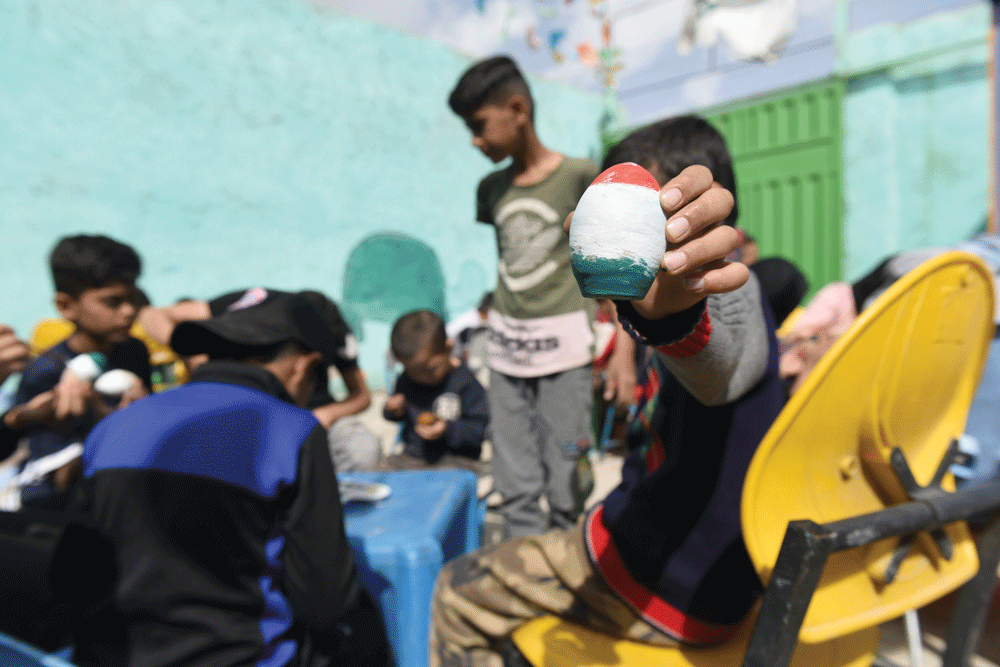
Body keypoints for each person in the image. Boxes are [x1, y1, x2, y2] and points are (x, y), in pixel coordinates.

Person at [429, 120, 786, 667]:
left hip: (662, 578)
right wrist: (643, 323)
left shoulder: (735, 291)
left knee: (457, 589)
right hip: (710, 570)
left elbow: (723, 367)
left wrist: (676, 313)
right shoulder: (704, 292)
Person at [71, 290, 390, 667]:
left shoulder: (115, 426)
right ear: (304, 367)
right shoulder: (290, 429)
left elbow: (76, 574)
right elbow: (325, 600)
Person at [448, 55, 598, 537]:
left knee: (566, 474)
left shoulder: (580, 176)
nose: (474, 140)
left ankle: (569, 574)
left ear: (517, 109)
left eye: (479, 125)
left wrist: (620, 349)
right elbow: (509, 260)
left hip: (566, 345)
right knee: (514, 475)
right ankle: (522, 577)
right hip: (508, 345)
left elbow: (603, 264)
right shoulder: (490, 189)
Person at [137, 287, 381, 472]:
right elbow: (150, 315)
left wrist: (325, 415)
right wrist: (191, 352)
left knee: (359, 447)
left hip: (311, 416)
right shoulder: (256, 302)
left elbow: (361, 395)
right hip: (242, 415)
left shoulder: (334, 329)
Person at [6, 235, 151, 511]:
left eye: (132, 298)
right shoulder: (47, 373)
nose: (129, 311)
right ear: (66, 306)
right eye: (113, 301)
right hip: (53, 509)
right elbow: (59, 477)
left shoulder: (133, 351)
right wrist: (113, 423)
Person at [382, 310, 489, 473]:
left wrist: (447, 430)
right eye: (412, 371)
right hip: (413, 457)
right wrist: (392, 410)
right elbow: (404, 416)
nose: (421, 377)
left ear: (448, 348)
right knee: (377, 473)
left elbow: (480, 430)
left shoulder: (465, 382)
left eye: (430, 370)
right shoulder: (406, 380)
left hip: (457, 460)